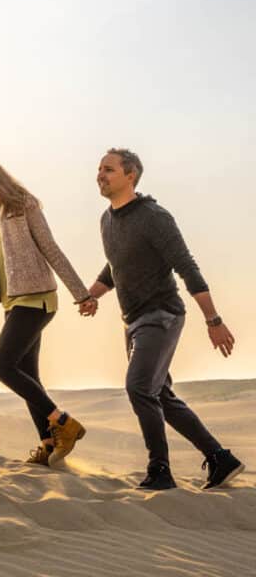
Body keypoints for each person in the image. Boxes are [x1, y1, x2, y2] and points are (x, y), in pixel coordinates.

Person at [81, 148, 244, 490]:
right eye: (99, 169)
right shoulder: (106, 219)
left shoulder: (155, 216)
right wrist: (92, 294)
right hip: (134, 319)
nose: (100, 174)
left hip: (162, 315)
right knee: (160, 396)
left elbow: (187, 267)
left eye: (108, 169)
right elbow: (116, 266)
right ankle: (220, 458)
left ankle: (160, 470)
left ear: (131, 176)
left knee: (139, 387)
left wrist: (213, 321)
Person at [0, 155, 97, 466]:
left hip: (37, 300)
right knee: (27, 376)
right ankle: (49, 445)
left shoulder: (24, 205)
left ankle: (64, 423)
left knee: (1, 366)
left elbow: (51, 249)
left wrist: (81, 294)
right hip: (13, 303)